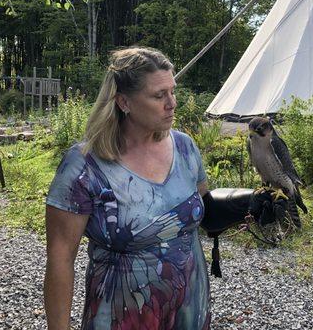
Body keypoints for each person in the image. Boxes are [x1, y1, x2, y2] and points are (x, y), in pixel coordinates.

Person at [44, 47, 211, 330]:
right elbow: (60, 259)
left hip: (189, 309)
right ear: (124, 102)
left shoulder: (185, 148)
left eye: (173, 91)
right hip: (124, 315)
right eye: (159, 95)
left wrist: (245, 206)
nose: (172, 103)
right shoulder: (85, 165)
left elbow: (203, 207)